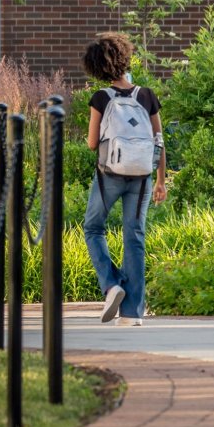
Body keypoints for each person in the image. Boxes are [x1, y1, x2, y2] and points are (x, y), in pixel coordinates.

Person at [82, 32, 167, 327]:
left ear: (98, 68)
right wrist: (161, 181)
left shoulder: (101, 98)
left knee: (93, 227)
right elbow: (159, 140)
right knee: (134, 236)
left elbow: (93, 144)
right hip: (142, 176)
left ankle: (111, 284)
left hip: (110, 176)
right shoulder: (147, 95)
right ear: (124, 59)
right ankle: (132, 314)